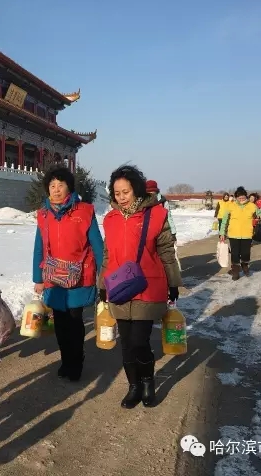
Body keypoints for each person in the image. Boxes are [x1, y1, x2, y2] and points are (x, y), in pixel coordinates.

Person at [97, 165, 182, 409]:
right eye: (117, 193)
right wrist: (102, 283)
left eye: (126, 191)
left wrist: (173, 282)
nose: (121, 197)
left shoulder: (156, 214)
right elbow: (106, 254)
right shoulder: (110, 219)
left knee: (139, 341)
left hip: (148, 286)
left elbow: (166, 251)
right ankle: (133, 386)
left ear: (136, 189)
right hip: (119, 288)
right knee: (125, 343)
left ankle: (147, 382)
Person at [32, 165, 104, 382]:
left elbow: (97, 245)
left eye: (60, 185)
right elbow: (39, 247)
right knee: (60, 322)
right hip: (54, 276)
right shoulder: (43, 215)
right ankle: (66, 360)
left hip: (80, 275)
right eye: (52, 186)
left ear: (69, 188)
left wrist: (105, 274)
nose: (55, 190)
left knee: (74, 320)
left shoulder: (85, 211)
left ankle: (76, 362)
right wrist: (38, 278)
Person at [219, 186, 261, 280]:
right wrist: (222, 233)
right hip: (233, 234)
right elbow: (225, 220)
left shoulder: (252, 206)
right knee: (235, 253)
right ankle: (235, 271)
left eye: (243, 197)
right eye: (239, 198)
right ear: (236, 197)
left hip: (247, 234)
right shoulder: (231, 206)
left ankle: (245, 266)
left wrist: (259, 217)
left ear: (246, 197)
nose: (241, 199)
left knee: (245, 253)